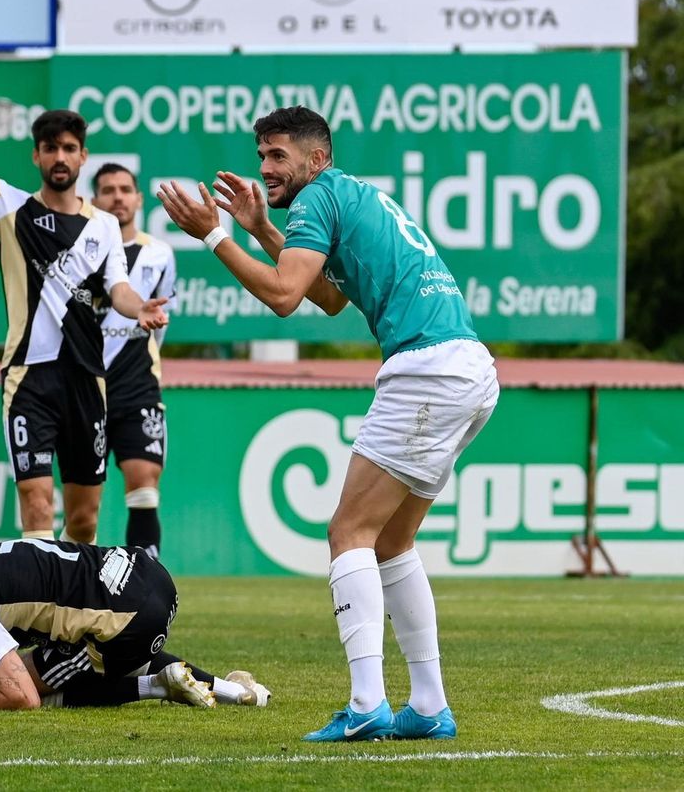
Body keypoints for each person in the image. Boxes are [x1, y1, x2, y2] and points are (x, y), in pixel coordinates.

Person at [156, 106, 497, 743]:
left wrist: (214, 235)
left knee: (349, 532)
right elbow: (331, 296)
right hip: (468, 366)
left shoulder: (317, 198)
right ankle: (427, 707)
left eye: (277, 156)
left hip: (427, 369)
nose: (265, 168)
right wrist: (258, 226)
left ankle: (367, 703)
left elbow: (286, 298)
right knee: (391, 543)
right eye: (260, 155)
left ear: (316, 160)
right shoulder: (350, 194)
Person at [0, 23, 167, 546]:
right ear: (36, 156)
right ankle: (37, 618)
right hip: (29, 380)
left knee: (83, 520)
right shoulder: (10, 209)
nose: (59, 157)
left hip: (88, 380)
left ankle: (69, 614)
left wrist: (139, 308)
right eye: (49, 148)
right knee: (37, 505)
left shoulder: (104, 225)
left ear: (82, 157)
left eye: (69, 148)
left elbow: (119, 290)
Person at [0, 537, 269, 712]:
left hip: (130, 618)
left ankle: (158, 685)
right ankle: (242, 692)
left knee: (48, 692)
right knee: (54, 663)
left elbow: (23, 698)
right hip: (149, 575)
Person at [90, 164, 178, 557]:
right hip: (86, 386)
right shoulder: (82, 250)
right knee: (83, 506)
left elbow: (159, 324)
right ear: (94, 200)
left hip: (137, 385)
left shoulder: (160, 253)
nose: (118, 197)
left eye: (126, 189)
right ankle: (72, 589)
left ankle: (143, 585)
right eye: (108, 190)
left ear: (139, 199)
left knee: (144, 485)